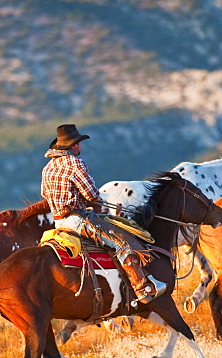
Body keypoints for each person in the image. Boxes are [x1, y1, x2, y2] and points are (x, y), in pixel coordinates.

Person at [41, 123, 165, 305]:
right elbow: (92, 194)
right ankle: (142, 289)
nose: (80, 146)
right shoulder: (75, 163)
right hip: (77, 220)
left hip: (59, 222)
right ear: (75, 144)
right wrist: (92, 201)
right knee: (123, 241)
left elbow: (45, 194)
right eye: (79, 143)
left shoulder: (48, 168)